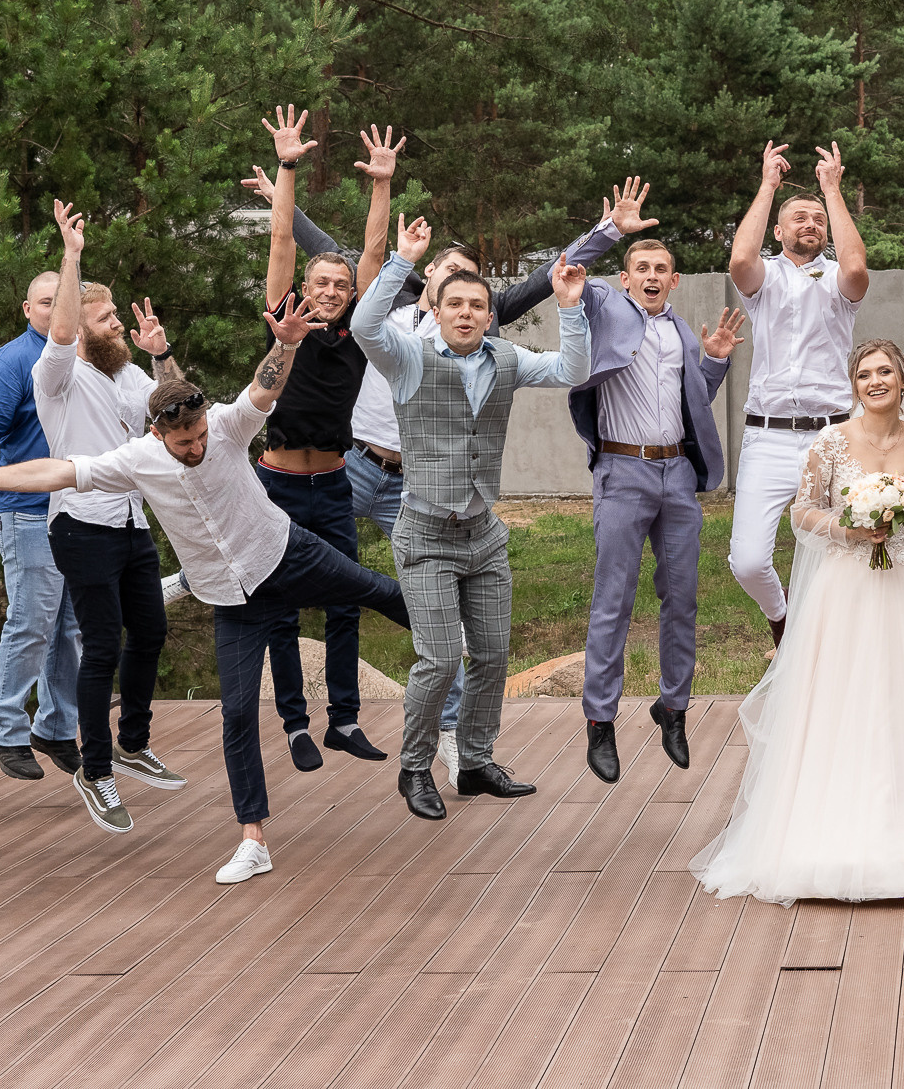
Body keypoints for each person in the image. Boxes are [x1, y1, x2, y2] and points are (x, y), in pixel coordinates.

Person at [0, 299, 408, 884]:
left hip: (285, 555)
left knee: (376, 590)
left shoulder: (225, 425)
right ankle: (253, 840)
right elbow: (56, 471)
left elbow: (264, 388)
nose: (195, 447)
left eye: (198, 435)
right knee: (237, 715)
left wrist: (288, 343)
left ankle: (453, 640)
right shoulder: (136, 459)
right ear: (158, 434)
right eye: (183, 442)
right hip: (232, 598)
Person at [220, 163, 626, 765]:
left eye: (472, 288)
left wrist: (607, 231)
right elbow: (333, 255)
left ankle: (446, 732)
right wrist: (286, 191)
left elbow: (552, 277)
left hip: (415, 482)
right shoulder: (385, 309)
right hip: (355, 464)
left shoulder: (478, 332)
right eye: (448, 274)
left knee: (407, 610)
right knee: (293, 583)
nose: (460, 292)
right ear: (427, 277)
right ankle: (297, 716)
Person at [691, 340, 904, 904]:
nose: (875, 381)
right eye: (864, 374)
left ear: (903, 378)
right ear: (854, 384)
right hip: (846, 589)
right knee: (845, 701)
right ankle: (829, 840)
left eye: (885, 371)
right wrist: (850, 529)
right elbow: (802, 513)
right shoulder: (831, 441)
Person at [352, 213, 592, 821]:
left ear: (489, 316)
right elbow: (362, 325)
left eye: (476, 305)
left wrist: (569, 308)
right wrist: (402, 262)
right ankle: (415, 767)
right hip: (426, 535)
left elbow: (573, 371)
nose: (465, 313)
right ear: (435, 311)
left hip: (484, 536)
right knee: (439, 660)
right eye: (454, 304)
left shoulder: (506, 359)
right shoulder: (406, 358)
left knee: (491, 655)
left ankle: (476, 762)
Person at [237, 108, 408, 768]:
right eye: (322, 283)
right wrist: (287, 167)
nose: (333, 290)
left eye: (341, 284)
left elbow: (374, 254)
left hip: (334, 484)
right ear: (303, 289)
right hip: (277, 484)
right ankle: (294, 724)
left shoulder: (360, 330)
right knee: (281, 606)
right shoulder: (288, 319)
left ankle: (344, 719)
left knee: (346, 600)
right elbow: (282, 239)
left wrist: (382, 183)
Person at [563, 179, 746, 783]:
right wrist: (611, 229)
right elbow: (565, 267)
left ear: (674, 281)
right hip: (623, 472)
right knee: (613, 599)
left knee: (682, 597)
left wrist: (714, 360)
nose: (650, 275)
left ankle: (673, 708)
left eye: (660, 269)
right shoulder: (604, 309)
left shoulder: (683, 332)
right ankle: (600, 720)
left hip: (677, 477)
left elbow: (694, 406)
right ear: (625, 278)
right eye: (641, 267)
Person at [33, 199, 188, 833]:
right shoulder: (58, 376)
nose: (118, 322)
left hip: (129, 523)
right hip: (79, 524)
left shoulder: (125, 376)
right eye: (108, 318)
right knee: (100, 647)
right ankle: (94, 770)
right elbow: (61, 331)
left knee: (149, 632)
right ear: (83, 328)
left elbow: (181, 406)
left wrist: (159, 353)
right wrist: (71, 257)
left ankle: (133, 744)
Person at [726, 141, 869, 645]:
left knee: (840, 551)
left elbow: (857, 269)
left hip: (830, 437)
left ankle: (833, 645)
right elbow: (740, 259)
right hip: (767, 437)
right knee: (747, 560)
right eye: (799, 218)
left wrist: (832, 190)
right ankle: (784, 623)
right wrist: (768, 184)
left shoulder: (837, 279)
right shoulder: (764, 277)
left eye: (818, 220)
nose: (811, 224)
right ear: (779, 231)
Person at [0, 270, 84, 781]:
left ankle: (56, 728)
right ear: (28, 310)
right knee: (31, 623)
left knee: (71, 629)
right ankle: (7, 733)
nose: (55, 309)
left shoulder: (84, 356)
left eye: (62, 300)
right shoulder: (13, 360)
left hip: (78, 510)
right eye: (45, 302)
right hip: (26, 510)